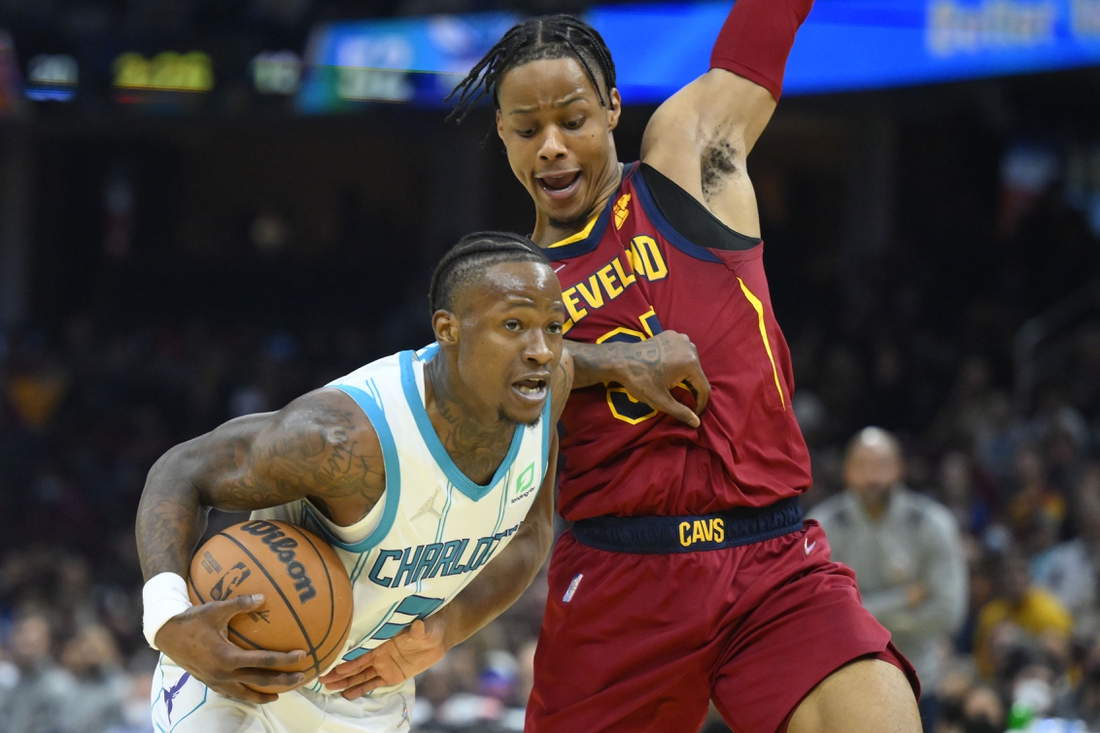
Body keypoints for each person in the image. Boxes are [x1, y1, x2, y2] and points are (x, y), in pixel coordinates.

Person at [442, 4, 924, 732]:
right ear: (503, 133)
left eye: (571, 119)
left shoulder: (686, 163)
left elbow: (762, 28)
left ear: (610, 108)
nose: (550, 146)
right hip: (616, 585)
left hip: (771, 562)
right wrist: (614, 363)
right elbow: (468, 380)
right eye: (526, 127)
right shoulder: (510, 285)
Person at [135, 232, 703, 732]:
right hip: (239, 678)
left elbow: (530, 535)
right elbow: (181, 471)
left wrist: (446, 629)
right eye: (513, 325)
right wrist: (167, 619)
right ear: (448, 330)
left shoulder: (544, 386)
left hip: (369, 697)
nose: (540, 349)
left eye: (553, 328)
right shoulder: (342, 437)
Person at [809, 427, 968, 733]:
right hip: (844, 683)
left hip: (918, 680)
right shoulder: (823, 526)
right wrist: (902, 599)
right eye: (862, 466)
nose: (872, 476)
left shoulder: (932, 525)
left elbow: (949, 613)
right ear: (846, 471)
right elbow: (816, 616)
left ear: (899, 468)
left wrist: (856, 611)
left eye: (881, 465)